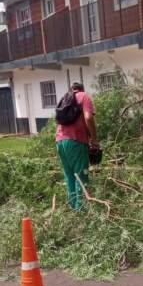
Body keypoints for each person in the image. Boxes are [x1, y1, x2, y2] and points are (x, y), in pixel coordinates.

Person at [56, 82, 98, 210]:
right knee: (81, 175)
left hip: (60, 141)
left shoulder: (65, 98)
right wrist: (94, 139)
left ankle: (73, 208)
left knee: (70, 176)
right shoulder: (84, 96)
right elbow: (88, 118)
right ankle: (82, 210)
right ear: (82, 89)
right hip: (76, 141)